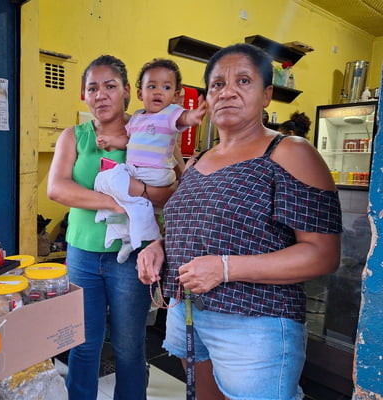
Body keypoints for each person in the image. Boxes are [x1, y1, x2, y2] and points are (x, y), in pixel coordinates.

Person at [137, 43, 342, 400]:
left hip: (255, 323)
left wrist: (226, 268)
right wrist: (160, 247)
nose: (227, 92)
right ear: (205, 98)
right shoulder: (199, 159)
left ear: (266, 95)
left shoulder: (288, 152)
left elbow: (323, 254)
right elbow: (197, 225)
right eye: (217, 85)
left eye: (243, 81)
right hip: (188, 312)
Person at [47, 55, 176, 400]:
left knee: (129, 346)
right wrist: (114, 203)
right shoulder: (74, 137)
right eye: (92, 88)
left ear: (126, 94)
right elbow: (57, 188)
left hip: (133, 258)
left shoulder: (150, 131)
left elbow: (171, 192)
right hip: (81, 255)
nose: (100, 95)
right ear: (83, 96)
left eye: (110, 86)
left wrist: (139, 193)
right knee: (84, 343)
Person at [94, 58, 206, 263]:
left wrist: (194, 115)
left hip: (155, 172)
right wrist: (110, 140)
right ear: (140, 93)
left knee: (110, 180)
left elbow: (185, 119)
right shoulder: (137, 116)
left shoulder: (170, 113)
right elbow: (128, 140)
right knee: (114, 188)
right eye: (151, 86)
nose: (158, 92)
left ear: (175, 95)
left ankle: (141, 230)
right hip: (135, 170)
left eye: (166, 87)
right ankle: (129, 238)